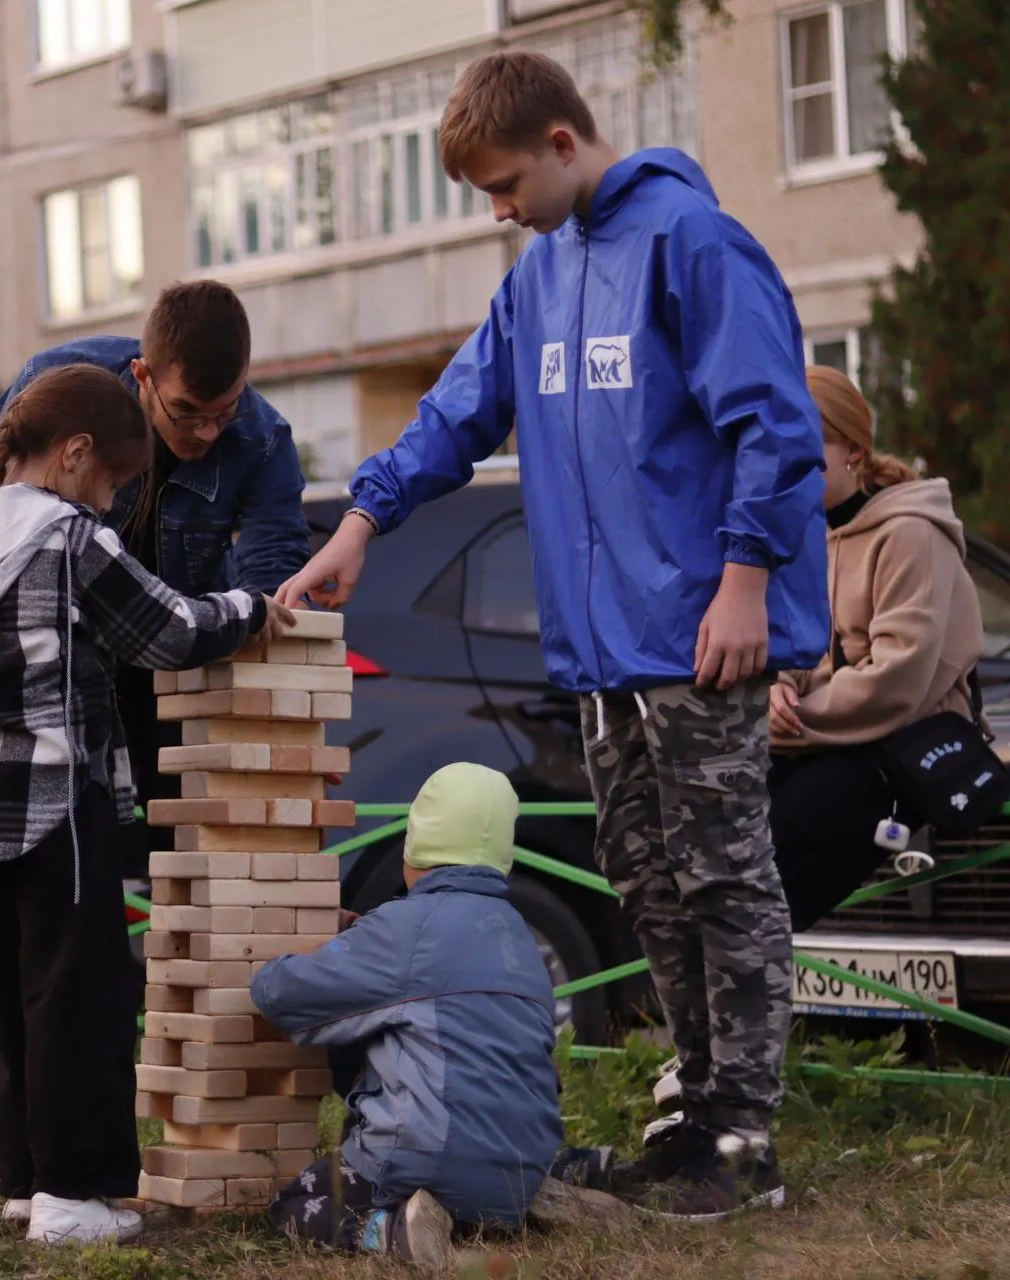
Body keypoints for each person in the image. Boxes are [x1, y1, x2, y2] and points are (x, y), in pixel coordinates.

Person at [276, 50, 828, 1221]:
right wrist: (362, 521)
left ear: (566, 143)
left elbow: (775, 428)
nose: (499, 209)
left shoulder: (692, 242)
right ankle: (690, 1108)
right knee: (647, 874)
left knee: (726, 872)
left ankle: (745, 1133)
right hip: (603, 647)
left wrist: (744, 583)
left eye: (506, 182)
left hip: (699, 634)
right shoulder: (540, 274)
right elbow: (456, 411)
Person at [0, 363, 297, 1247]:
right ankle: (74, 1194)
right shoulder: (67, 535)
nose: (113, 502)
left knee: (18, 991)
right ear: (76, 453)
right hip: (58, 792)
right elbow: (164, 630)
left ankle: (26, 1180)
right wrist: (249, 605)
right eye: (113, 483)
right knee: (82, 992)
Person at [0, 284, 311, 874]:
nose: (207, 433)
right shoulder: (58, 389)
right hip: (64, 668)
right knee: (76, 865)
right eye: (187, 412)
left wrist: (287, 731)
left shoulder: (263, 438)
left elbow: (273, 588)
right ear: (141, 374)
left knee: (184, 857)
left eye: (225, 411)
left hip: (177, 659)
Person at [252, 763, 561, 1264]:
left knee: (298, 1205)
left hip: (428, 1162)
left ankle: (390, 1233)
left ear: (414, 845)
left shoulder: (405, 928)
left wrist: (273, 952)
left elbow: (280, 994)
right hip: (521, 1172)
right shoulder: (517, 934)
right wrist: (363, 937)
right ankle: (528, 1203)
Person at [765, 368, 986, 929]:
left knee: (779, 852)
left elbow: (897, 682)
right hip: (827, 735)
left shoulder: (909, 531)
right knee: (720, 821)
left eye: (802, 443)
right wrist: (776, 691)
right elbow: (790, 647)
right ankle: (727, 996)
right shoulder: (802, 533)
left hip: (911, 737)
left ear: (853, 453)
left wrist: (790, 721)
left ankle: (748, 997)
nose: (782, 459)